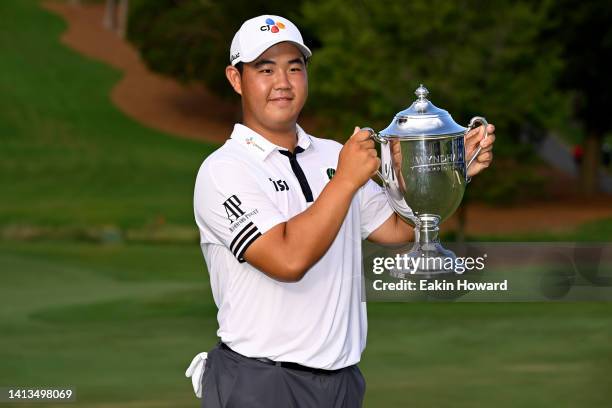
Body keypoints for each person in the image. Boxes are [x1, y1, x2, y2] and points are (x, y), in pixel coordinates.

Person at [187, 14, 496, 407]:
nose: (282, 82)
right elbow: (287, 259)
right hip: (261, 382)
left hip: (342, 383)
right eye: (266, 69)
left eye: (294, 68)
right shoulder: (223, 170)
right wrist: (346, 181)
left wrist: (441, 171)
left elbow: (400, 231)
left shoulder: (333, 155)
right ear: (236, 79)